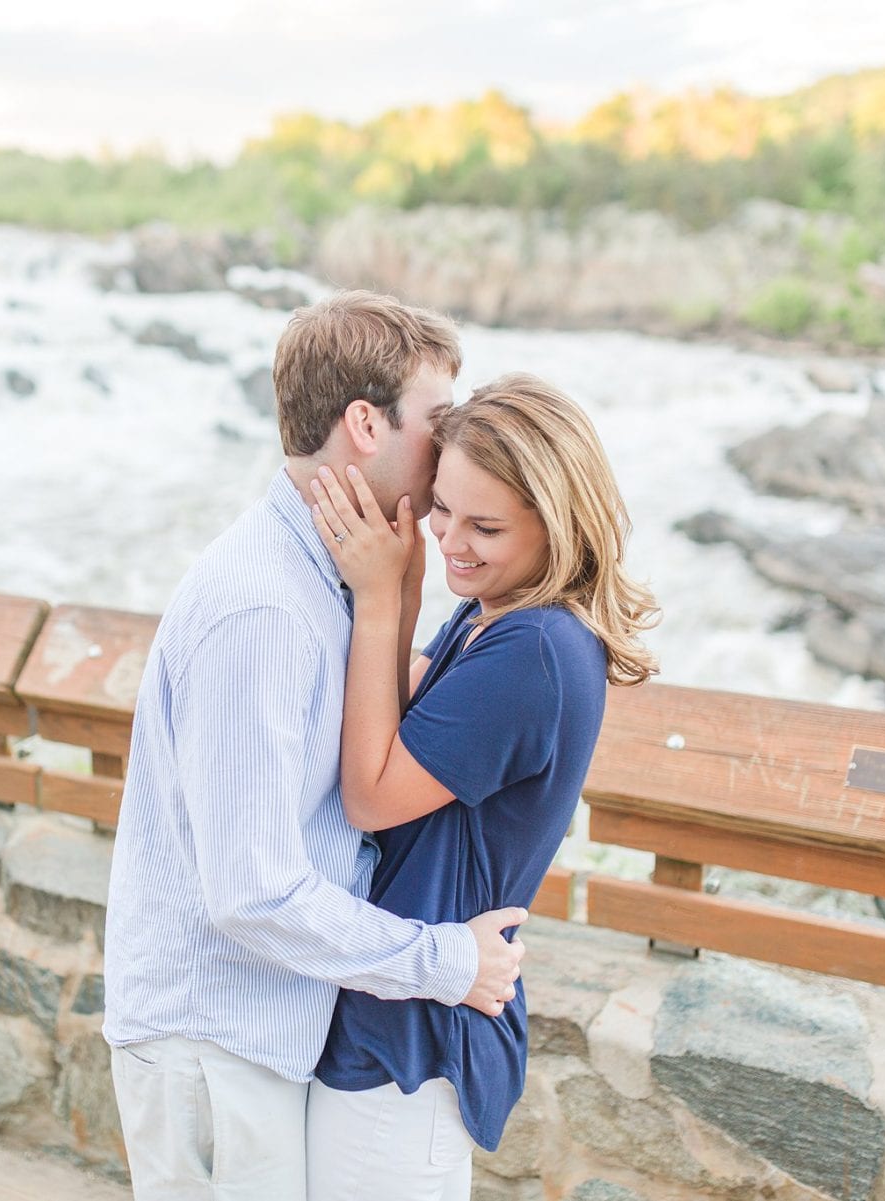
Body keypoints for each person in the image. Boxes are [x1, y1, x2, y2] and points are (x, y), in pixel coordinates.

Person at [103, 292, 531, 1201]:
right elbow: (252, 891)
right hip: (213, 1038)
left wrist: (403, 585)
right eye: (438, 421)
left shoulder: (328, 575)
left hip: (256, 1029)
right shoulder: (266, 610)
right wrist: (447, 961)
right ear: (366, 424)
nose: (451, 448)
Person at [303, 372, 660, 1201]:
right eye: (441, 510)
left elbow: (372, 790)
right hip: (400, 993)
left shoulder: (534, 648)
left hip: (418, 1035)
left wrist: (380, 594)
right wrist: (413, 588)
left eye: (486, 524)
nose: (453, 539)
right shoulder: (492, 608)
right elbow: (389, 708)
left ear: (556, 521)